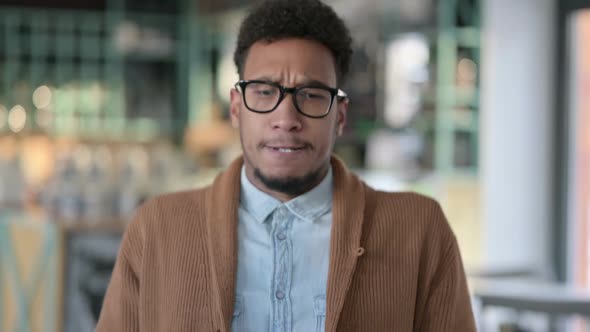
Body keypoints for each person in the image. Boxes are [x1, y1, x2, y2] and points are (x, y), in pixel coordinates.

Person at [96, 0, 476, 331]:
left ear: (339, 116)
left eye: (310, 95)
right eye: (264, 91)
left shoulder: (418, 231)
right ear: (235, 107)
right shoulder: (158, 229)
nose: (286, 118)